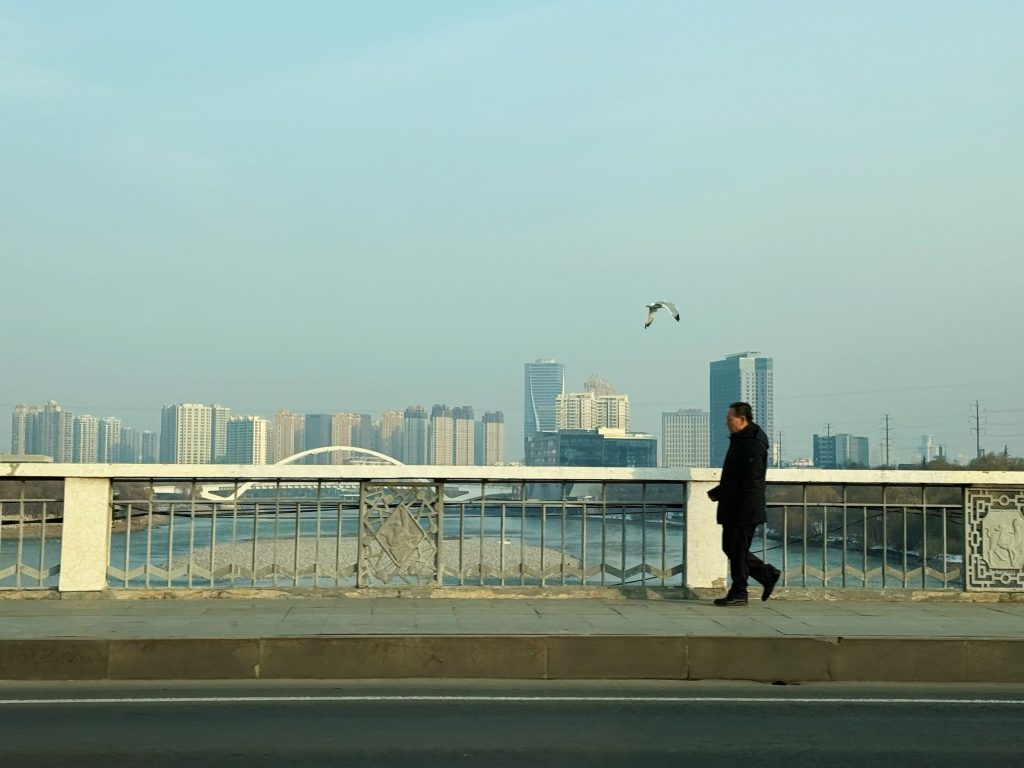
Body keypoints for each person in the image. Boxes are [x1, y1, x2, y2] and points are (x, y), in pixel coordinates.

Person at [707, 401, 780, 606]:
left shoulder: (752, 444)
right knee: (731, 548)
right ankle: (765, 574)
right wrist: (720, 492)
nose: (726, 422)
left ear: (742, 419)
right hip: (736, 505)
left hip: (743, 508)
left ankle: (740, 591)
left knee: (737, 550)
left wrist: (739, 504)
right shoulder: (742, 440)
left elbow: (750, 480)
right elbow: (737, 477)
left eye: (729, 419)